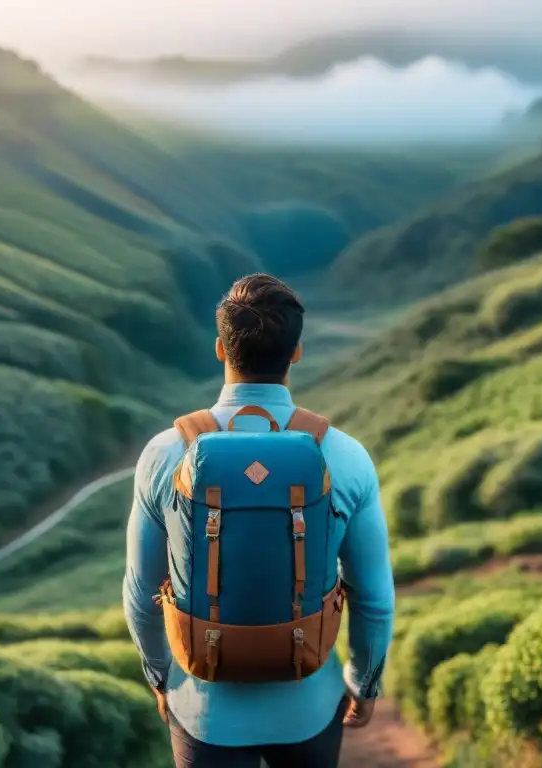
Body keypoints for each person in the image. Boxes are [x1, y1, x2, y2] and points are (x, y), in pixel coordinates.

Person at [123, 273, 395, 767]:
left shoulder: (165, 454)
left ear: (221, 350)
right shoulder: (344, 455)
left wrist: (161, 677)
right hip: (309, 704)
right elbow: (373, 597)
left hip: (202, 707)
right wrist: (364, 683)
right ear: (295, 354)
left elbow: (141, 593)